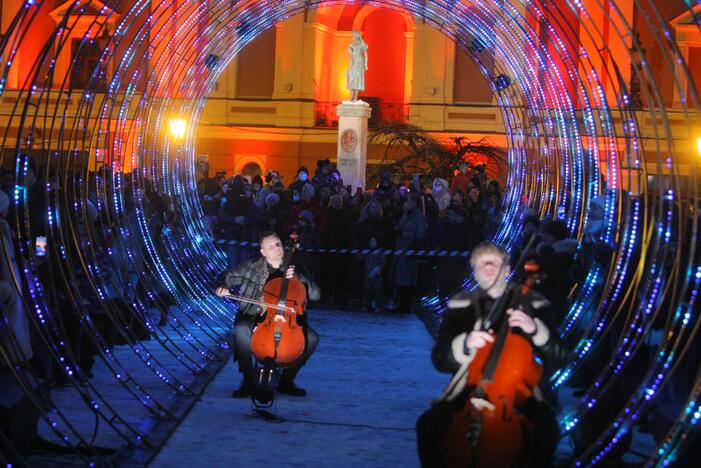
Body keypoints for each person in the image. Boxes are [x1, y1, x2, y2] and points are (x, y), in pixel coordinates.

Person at [416, 241, 567, 467]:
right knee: (429, 426)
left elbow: (560, 357)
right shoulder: (460, 305)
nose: (488, 267)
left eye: (494, 262)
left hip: (521, 392)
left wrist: (535, 330)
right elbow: (440, 359)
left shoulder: (534, 304)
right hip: (470, 388)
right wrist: (465, 343)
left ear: (507, 270)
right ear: (474, 271)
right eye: (482, 263)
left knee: (544, 430)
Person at [215, 231, 320, 398]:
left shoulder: (296, 268)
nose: (276, 248)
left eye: (278, 244)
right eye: (270, 246)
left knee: (312, 338)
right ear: (263, 252)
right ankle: (248, 381)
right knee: (241, 329)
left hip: (287, 323)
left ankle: (286, 381)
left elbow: (315, 295)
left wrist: (300, 279)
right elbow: (228, 275)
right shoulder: (251, 267)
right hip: (254, 318)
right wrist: (222, 285)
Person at [346, 30, 368, 101]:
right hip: (353, 61)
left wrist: (366, 64)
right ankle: (352, 96)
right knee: (352, 78)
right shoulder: (352, 44)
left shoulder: (362, 44)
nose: (353, 37)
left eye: (354, 35)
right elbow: (350, 53)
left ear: (356, 35)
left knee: (358, 78)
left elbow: (365, 54)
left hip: (359, 61)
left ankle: (355, 97)